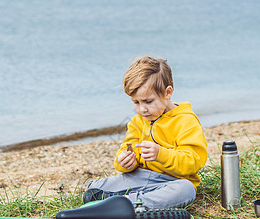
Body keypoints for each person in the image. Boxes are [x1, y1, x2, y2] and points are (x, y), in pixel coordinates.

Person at [84, 56, 207, 209]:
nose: (142, 109)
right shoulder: (138, 122)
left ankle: (131, 204)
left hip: (173, 181)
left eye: (148, 101)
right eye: (136, 102)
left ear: (167, 93)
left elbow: (194, 162)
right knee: (93, 187)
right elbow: (126, 149)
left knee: (186, 190)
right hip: (140, 178)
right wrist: (125, 162)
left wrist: (161, 154)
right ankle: (119, 201)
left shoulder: (185, 121)